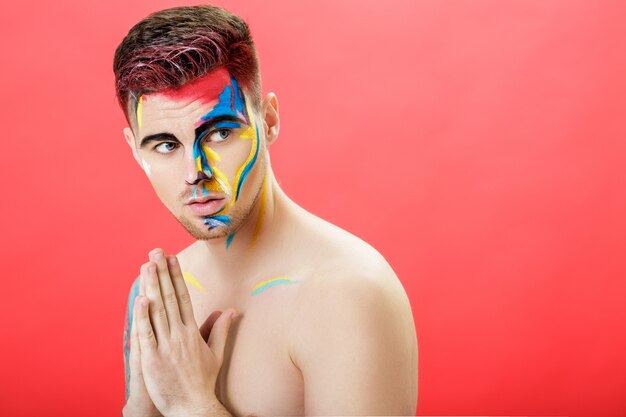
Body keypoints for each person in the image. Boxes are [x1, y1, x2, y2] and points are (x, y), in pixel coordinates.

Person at [113, 5, 418, 416]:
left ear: (268, 120)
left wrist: (191, 405)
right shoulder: (158, 300)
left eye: (220, 132)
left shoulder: (349, 296)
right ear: (135, 150)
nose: (195, 173)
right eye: (166, 144)